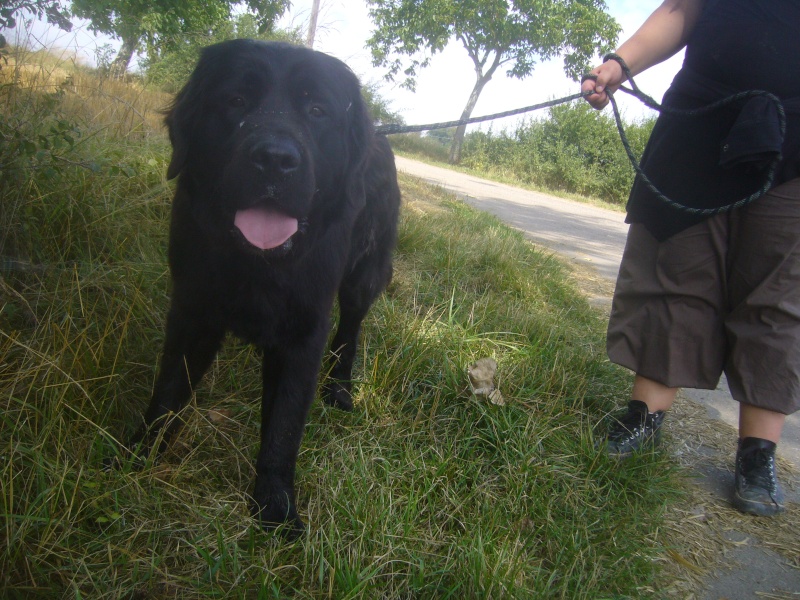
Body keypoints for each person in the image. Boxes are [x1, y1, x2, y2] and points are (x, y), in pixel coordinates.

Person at [581, 0, 799, 516]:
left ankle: (757, 455)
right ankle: (644, 418)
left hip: (796, 136)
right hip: (697, 117)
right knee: (672, 267)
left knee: (778, 290)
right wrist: (619, 64)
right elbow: (682, 8)